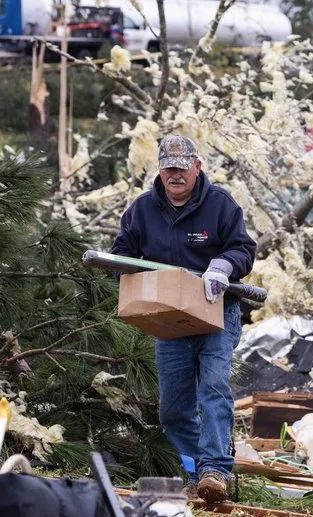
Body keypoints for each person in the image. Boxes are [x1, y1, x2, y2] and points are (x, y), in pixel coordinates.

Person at [110, 135, 256, 502]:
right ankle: (194, 471)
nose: (175, 175)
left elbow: (243, 249)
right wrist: (136, 278)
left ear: (197, 167)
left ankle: (215, 471)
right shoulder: (142, 210)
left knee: (214, 386)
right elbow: (122, 255)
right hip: (170, 318)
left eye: (182, 168)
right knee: (174, 407)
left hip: (216, 312)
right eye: (168, 168)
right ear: (159, 170)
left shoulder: (220, 205)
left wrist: (223, 266)